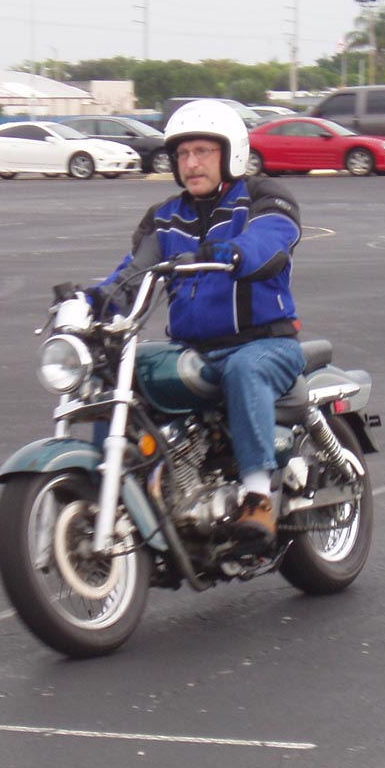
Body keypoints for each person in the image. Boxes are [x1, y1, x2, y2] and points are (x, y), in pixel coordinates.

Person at [93, 99, 304, 546]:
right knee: (117, 370)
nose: (191, 163)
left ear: (230, 153)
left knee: (244, 368)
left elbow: (271, 240)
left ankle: (257, 497)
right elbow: (133, 273)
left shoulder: (264, 197)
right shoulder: (166, 217)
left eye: (203, 151)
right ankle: (111, 487)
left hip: (264, 344)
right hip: (193, 351)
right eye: (183, 154)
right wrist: (94, 300)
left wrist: (233, 252)